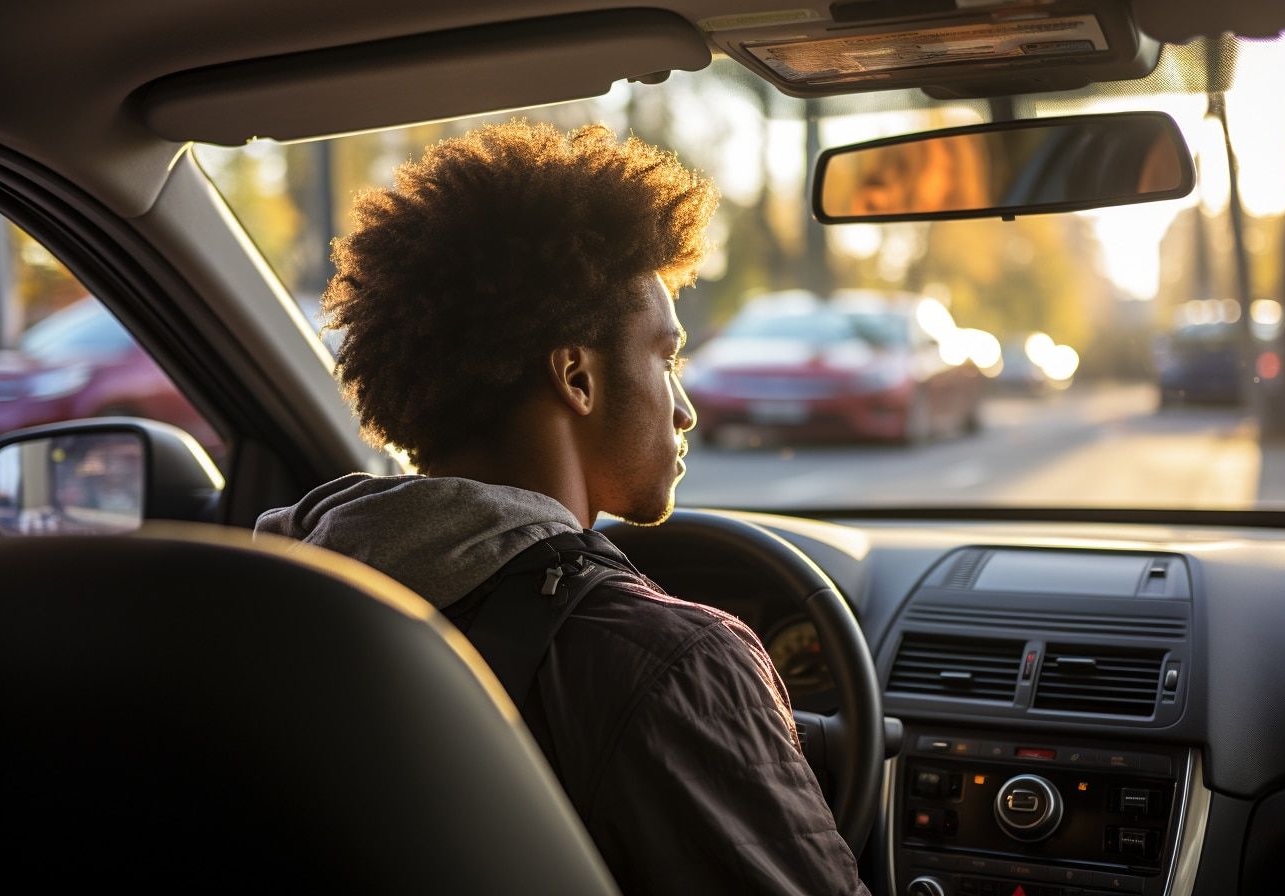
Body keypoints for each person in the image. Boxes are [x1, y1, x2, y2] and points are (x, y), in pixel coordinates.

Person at [255, 120, 868, 895]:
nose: (684, 411)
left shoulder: (271, 612)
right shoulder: (673, 663)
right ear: (576, 377)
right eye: (666, 358)